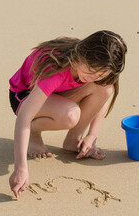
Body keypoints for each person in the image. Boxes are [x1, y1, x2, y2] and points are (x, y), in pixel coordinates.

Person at [8, 30, 127, 198]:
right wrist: (20, 168)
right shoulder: (56, 69)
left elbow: (103, 96)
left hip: (58, 94)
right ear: (80, 56)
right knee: (70, 115)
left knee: (106, 87)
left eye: (100, 74)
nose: (93, 77)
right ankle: (34, 133)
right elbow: (24, 116)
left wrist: (92, 136)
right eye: (91, 70)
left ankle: (73, 140)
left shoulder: (97, 69)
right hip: (24, 95)